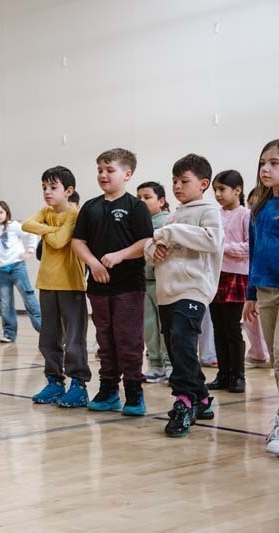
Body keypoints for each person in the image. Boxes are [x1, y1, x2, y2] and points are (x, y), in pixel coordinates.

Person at [145, 154, 223, 437]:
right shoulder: (174, 214)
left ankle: (184, 400)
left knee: (182, 341)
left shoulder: (209, 211)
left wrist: (172, 232)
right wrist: (155, 250)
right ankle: (201, 397)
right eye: (175, 180)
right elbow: (151, 248)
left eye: (184, 181)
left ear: (203, 184)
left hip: (193, 289)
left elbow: (213, 241)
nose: (177, 186)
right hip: (167, 291)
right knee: (177, 345)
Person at [72, 148, 153, 416]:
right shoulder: (91, 207)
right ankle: (108, 390)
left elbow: (145, 242)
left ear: (127, 174)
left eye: (110, 170)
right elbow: (78, 242)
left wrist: (119, 256)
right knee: (104, 339)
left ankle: (134, 393)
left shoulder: (136, 206)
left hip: (129, 286)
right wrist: (93, 263)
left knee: (128, 339)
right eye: (99, 170)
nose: (103, 175)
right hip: (98, 286)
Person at [243, 138, 279, 455]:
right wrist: (251, 293)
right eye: (263, 162)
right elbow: (255, 254)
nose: (265, 168)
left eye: (274, 163)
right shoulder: (260, 208)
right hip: (265, 291)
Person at [23, 166, 89, 407]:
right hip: (47, 284)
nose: (47, 192)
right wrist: (52, 230)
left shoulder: (75, 214)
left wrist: (51, 233)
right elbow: (26, 225)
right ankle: (54, 382)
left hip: (71, 285)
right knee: (48, 339)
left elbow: (61, 241)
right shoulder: (46, 212)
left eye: (53, 187)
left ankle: (79, 385)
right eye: (44, 188)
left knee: (73, 340)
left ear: (69, 191)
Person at [208, 170, 250, 393]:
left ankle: (238, 376)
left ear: (237, 190)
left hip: (236, 276)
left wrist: (222, 248)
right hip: (215, 275)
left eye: (222, 189)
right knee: (218, 328)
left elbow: (249, 247)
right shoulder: (215, 215)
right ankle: (223, 374)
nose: (218, 194)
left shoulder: (246, 215)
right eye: (215, 189)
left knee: (233, 328)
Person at [0, 201, 41, 343]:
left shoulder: (14, 226)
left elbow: (31, 233)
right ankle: (9, 333)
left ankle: (45, 330)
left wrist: (30, 251)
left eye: (0, 212)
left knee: (29, 299)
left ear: (6, 213)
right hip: (2, 272)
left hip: (17, 268)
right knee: (5, 303)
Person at [136, 181, 172, 383]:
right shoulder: (139, 222)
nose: (141, 201)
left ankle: (169, 364)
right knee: (149, 326)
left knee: (164, 325)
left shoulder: (167, 221)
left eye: (147, 197)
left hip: (162, 282)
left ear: (161, 201)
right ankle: (155, 364)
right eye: (138, 197)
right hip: (144, 282)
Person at [243, 187, 271, 367]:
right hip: (258, 283)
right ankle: (259, 353)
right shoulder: (253, 219)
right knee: (252, 322)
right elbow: (253, 252)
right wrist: (251, 294)